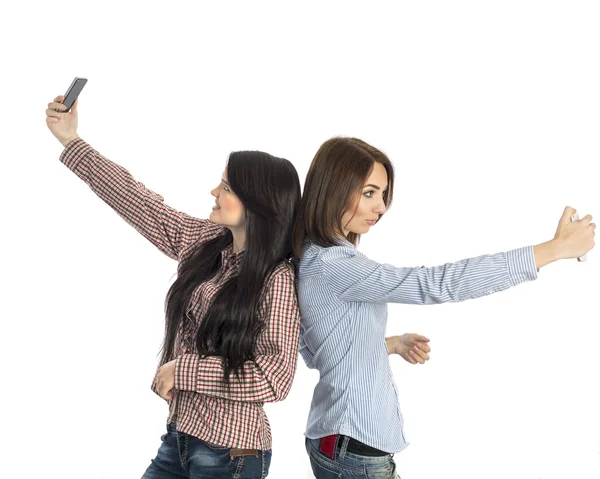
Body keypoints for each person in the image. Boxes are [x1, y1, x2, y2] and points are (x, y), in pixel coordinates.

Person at [292, 136, 596, 479]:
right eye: (369, 192)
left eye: (383, 194)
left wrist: (390, 344)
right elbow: (435, 284)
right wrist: (552, 251)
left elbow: (320, 352)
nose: (381, 207)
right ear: (333, 188)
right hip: (354, 448)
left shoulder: (315, 256)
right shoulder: (334, 264)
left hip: (339, 439)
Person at [45, 95, 302, 479]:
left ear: (257, 203)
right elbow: (138, 201)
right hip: (180, 439)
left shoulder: (276, 280)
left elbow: (274, 378)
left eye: (226, 186)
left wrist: (184, 371)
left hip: (231, 454)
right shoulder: (206, 241)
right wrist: (71, 139)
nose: (214, 192)